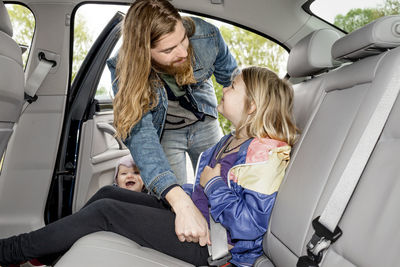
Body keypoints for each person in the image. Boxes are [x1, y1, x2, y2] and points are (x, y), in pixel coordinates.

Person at [0, 66, 299, 266]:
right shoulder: (231, 141)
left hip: (213, 245)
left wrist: (213, 184)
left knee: (106, 213)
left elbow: (248, 226)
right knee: (108, 195)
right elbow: (204, 191)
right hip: (201, 221)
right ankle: (51, 253)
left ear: (253, 106)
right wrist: (183, 196)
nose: (224, 88)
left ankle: (13, 250)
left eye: (233, 86)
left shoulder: (263, 156)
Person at [107, 0, 237, 246]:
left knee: (221, 185)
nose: (183, 53)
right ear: (143, 52)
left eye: (183, 40)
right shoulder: (123, 67)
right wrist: (179, 201)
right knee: (176, 202)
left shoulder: (206, 36)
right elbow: (141, 135)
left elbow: (235, 83)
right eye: (168, 50)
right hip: (167, 132)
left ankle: (226, 244)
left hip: (204, 122)